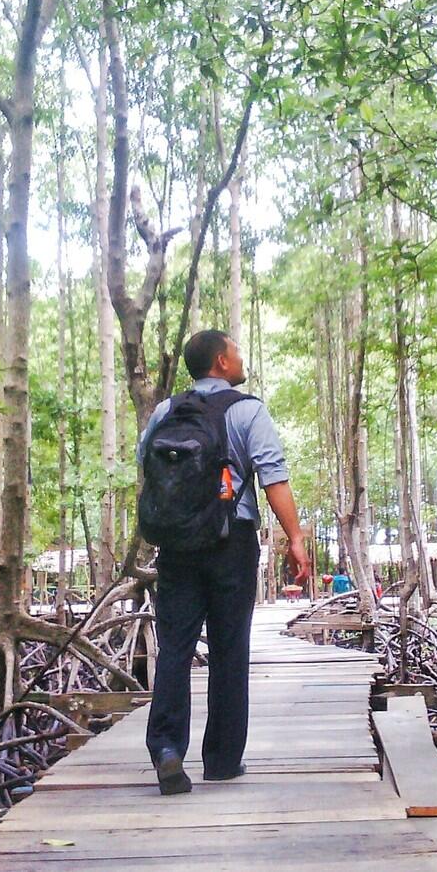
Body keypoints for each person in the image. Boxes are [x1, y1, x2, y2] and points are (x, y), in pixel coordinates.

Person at [140, 329, 311, 796]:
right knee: (229, 648)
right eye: (235, 351)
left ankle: (168, 751)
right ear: (220, 361)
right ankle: (221, 760)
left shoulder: (165, 411)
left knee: (174, 647)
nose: (240, 358)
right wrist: (294, 538)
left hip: (177, 545)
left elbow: (147, 468)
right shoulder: (246, 409)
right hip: (230, 540)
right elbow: (273, 475)